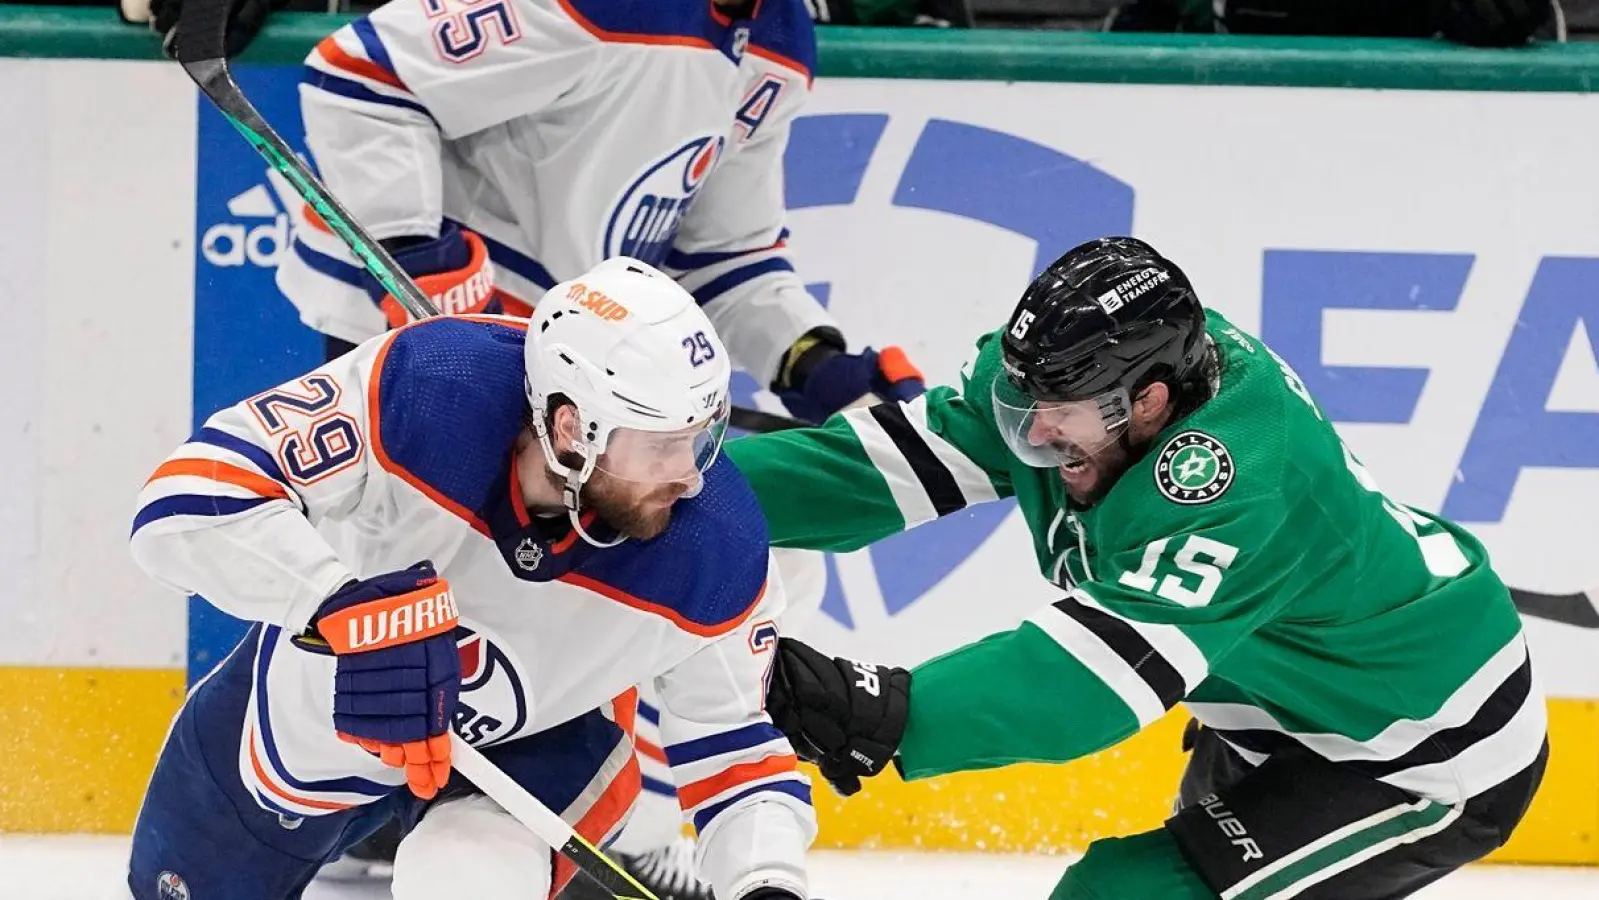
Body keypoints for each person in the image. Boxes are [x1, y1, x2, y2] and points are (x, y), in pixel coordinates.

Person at [725, 236, 1549, 899]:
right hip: (1287, 700)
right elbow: (883, 469)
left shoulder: (1235, 480)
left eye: (1059, 418)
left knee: (1122, 892)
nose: (1036, 439)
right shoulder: (1076, 380)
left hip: (1422, 746)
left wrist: (879, 713)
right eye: (1024, 408)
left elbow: (1085, 686)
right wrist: (687, 495)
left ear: (1149, 403)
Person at [125, 258, 816, 900]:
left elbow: (735, 751)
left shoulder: (716, 546)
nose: (691, 473)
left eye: (700, 436)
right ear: (572, 427)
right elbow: (183, 501)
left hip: (542, 745)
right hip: (306, 718)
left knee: (464, 877)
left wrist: (767, 883)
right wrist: (333, 603)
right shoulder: (427, 388)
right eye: (662, 444)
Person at [276, 0, 924, 424]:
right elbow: (363, 77)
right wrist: (415, 258)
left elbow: (724, 256)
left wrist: (811, 363)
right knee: (402, 579)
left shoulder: (781, 41)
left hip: (569, 355)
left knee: (773, 564)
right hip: (423, 342)